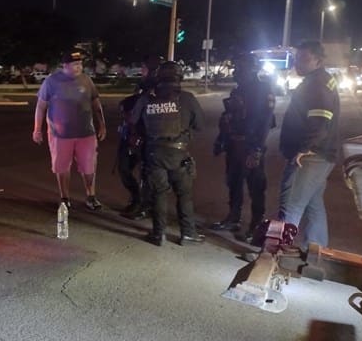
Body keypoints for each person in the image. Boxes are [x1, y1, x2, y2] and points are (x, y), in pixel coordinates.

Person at [131, 61, 205, 246]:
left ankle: (158, 234)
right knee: (184, 195)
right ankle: (188, 234)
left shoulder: (146, 98)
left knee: (158, 193)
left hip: (154, 153)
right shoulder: (187, 98)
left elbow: (133, 121)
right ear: (179, 78)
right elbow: (200, 124)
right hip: (179, 154)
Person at [278, 40, 341, 250]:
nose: (298, 63)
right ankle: (316, 250)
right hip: (322, 154)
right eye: (297, 58)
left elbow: (319, 122)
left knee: (291, 202)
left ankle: (276, 252)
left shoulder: (316, 84)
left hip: (312, 155)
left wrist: (304, 149)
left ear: (318, 60)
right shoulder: (321, 80)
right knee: (313, 204)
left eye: (304, 59)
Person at [211, 53, 276, 241]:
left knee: (256, 186)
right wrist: (221, 139)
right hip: (234, 144)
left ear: (252, 69)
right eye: (236, 68)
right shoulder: (237, 91)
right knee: (233, 182)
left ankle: (256, 224)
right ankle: (234, 217)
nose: (236, 71)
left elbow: (265, 122)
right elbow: (228, 117)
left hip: (251, 145)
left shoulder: (263, 90)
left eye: (241, 68)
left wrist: (256, 149)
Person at [33, 50, 107, 210]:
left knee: (89, 167)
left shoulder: (86, 80)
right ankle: (64, 197)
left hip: (86, 133)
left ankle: (91, 196)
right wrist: (37, 129)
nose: (79, 67)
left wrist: (102, 124)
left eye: (80, 64)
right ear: (65, 65)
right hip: (60, 135)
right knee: (62, 167)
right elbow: (41, 106)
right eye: (75, 64)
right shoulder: (51, 82)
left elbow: (96, 103)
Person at [117, 55, 160, 217]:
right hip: (130, 134)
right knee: (124, 168)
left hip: (146, 137)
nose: (141, 71)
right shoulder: (142, 85)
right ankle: (136, 199)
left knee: (146, 173)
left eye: (144, 68)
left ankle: (145, 205)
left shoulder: (158, 88)